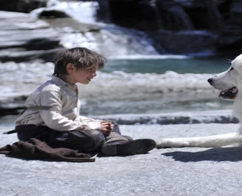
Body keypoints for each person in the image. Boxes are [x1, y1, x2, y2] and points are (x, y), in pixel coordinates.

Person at [14, 47, 156, 156]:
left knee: (110, 124)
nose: (94, 74)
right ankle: (115, 143)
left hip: (54, 128)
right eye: (90, 70)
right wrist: (93, 127)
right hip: (36, 132)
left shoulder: (69, 88)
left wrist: (95, 123)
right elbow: (54, 121)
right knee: (92, 135)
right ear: (70, 68)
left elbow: (72, 118)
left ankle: (114, 144)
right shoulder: (51, 90)